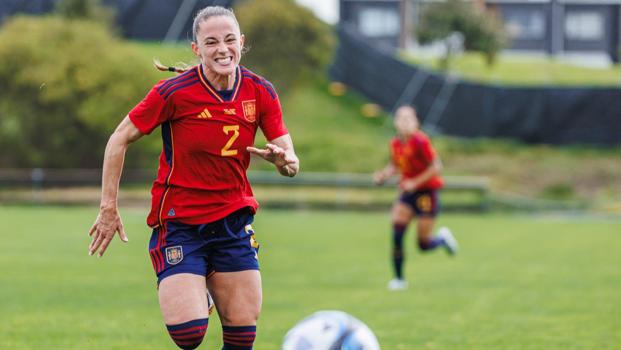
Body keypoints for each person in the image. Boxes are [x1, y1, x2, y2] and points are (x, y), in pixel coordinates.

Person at [87, 6, 299, 350]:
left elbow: (292, 163)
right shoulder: (173, 93)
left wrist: (282, 160)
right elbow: (118, 139)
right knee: (189, 334)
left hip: (233, 223)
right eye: (211, 41)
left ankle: (210, 287)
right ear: (196, 49)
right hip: (181, 223)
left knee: (242, 337)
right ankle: (200, 289)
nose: (222, 49)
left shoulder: (261, 91)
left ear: (241, 43)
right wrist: (108, 206)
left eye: (230, 40)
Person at [374, 105, 457, 291]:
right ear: (395, 122)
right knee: (397, 231)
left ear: (416, 122)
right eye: (400, 118)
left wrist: (415, 183)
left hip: (426, 194)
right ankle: (399, 279)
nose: (404, 122)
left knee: (423, 244)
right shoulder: (395, 143)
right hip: (408, 194)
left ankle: (442, 240)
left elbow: (437, 167)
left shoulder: (421, 141)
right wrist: (383, 176)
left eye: (408, 118)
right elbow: (395, 165)